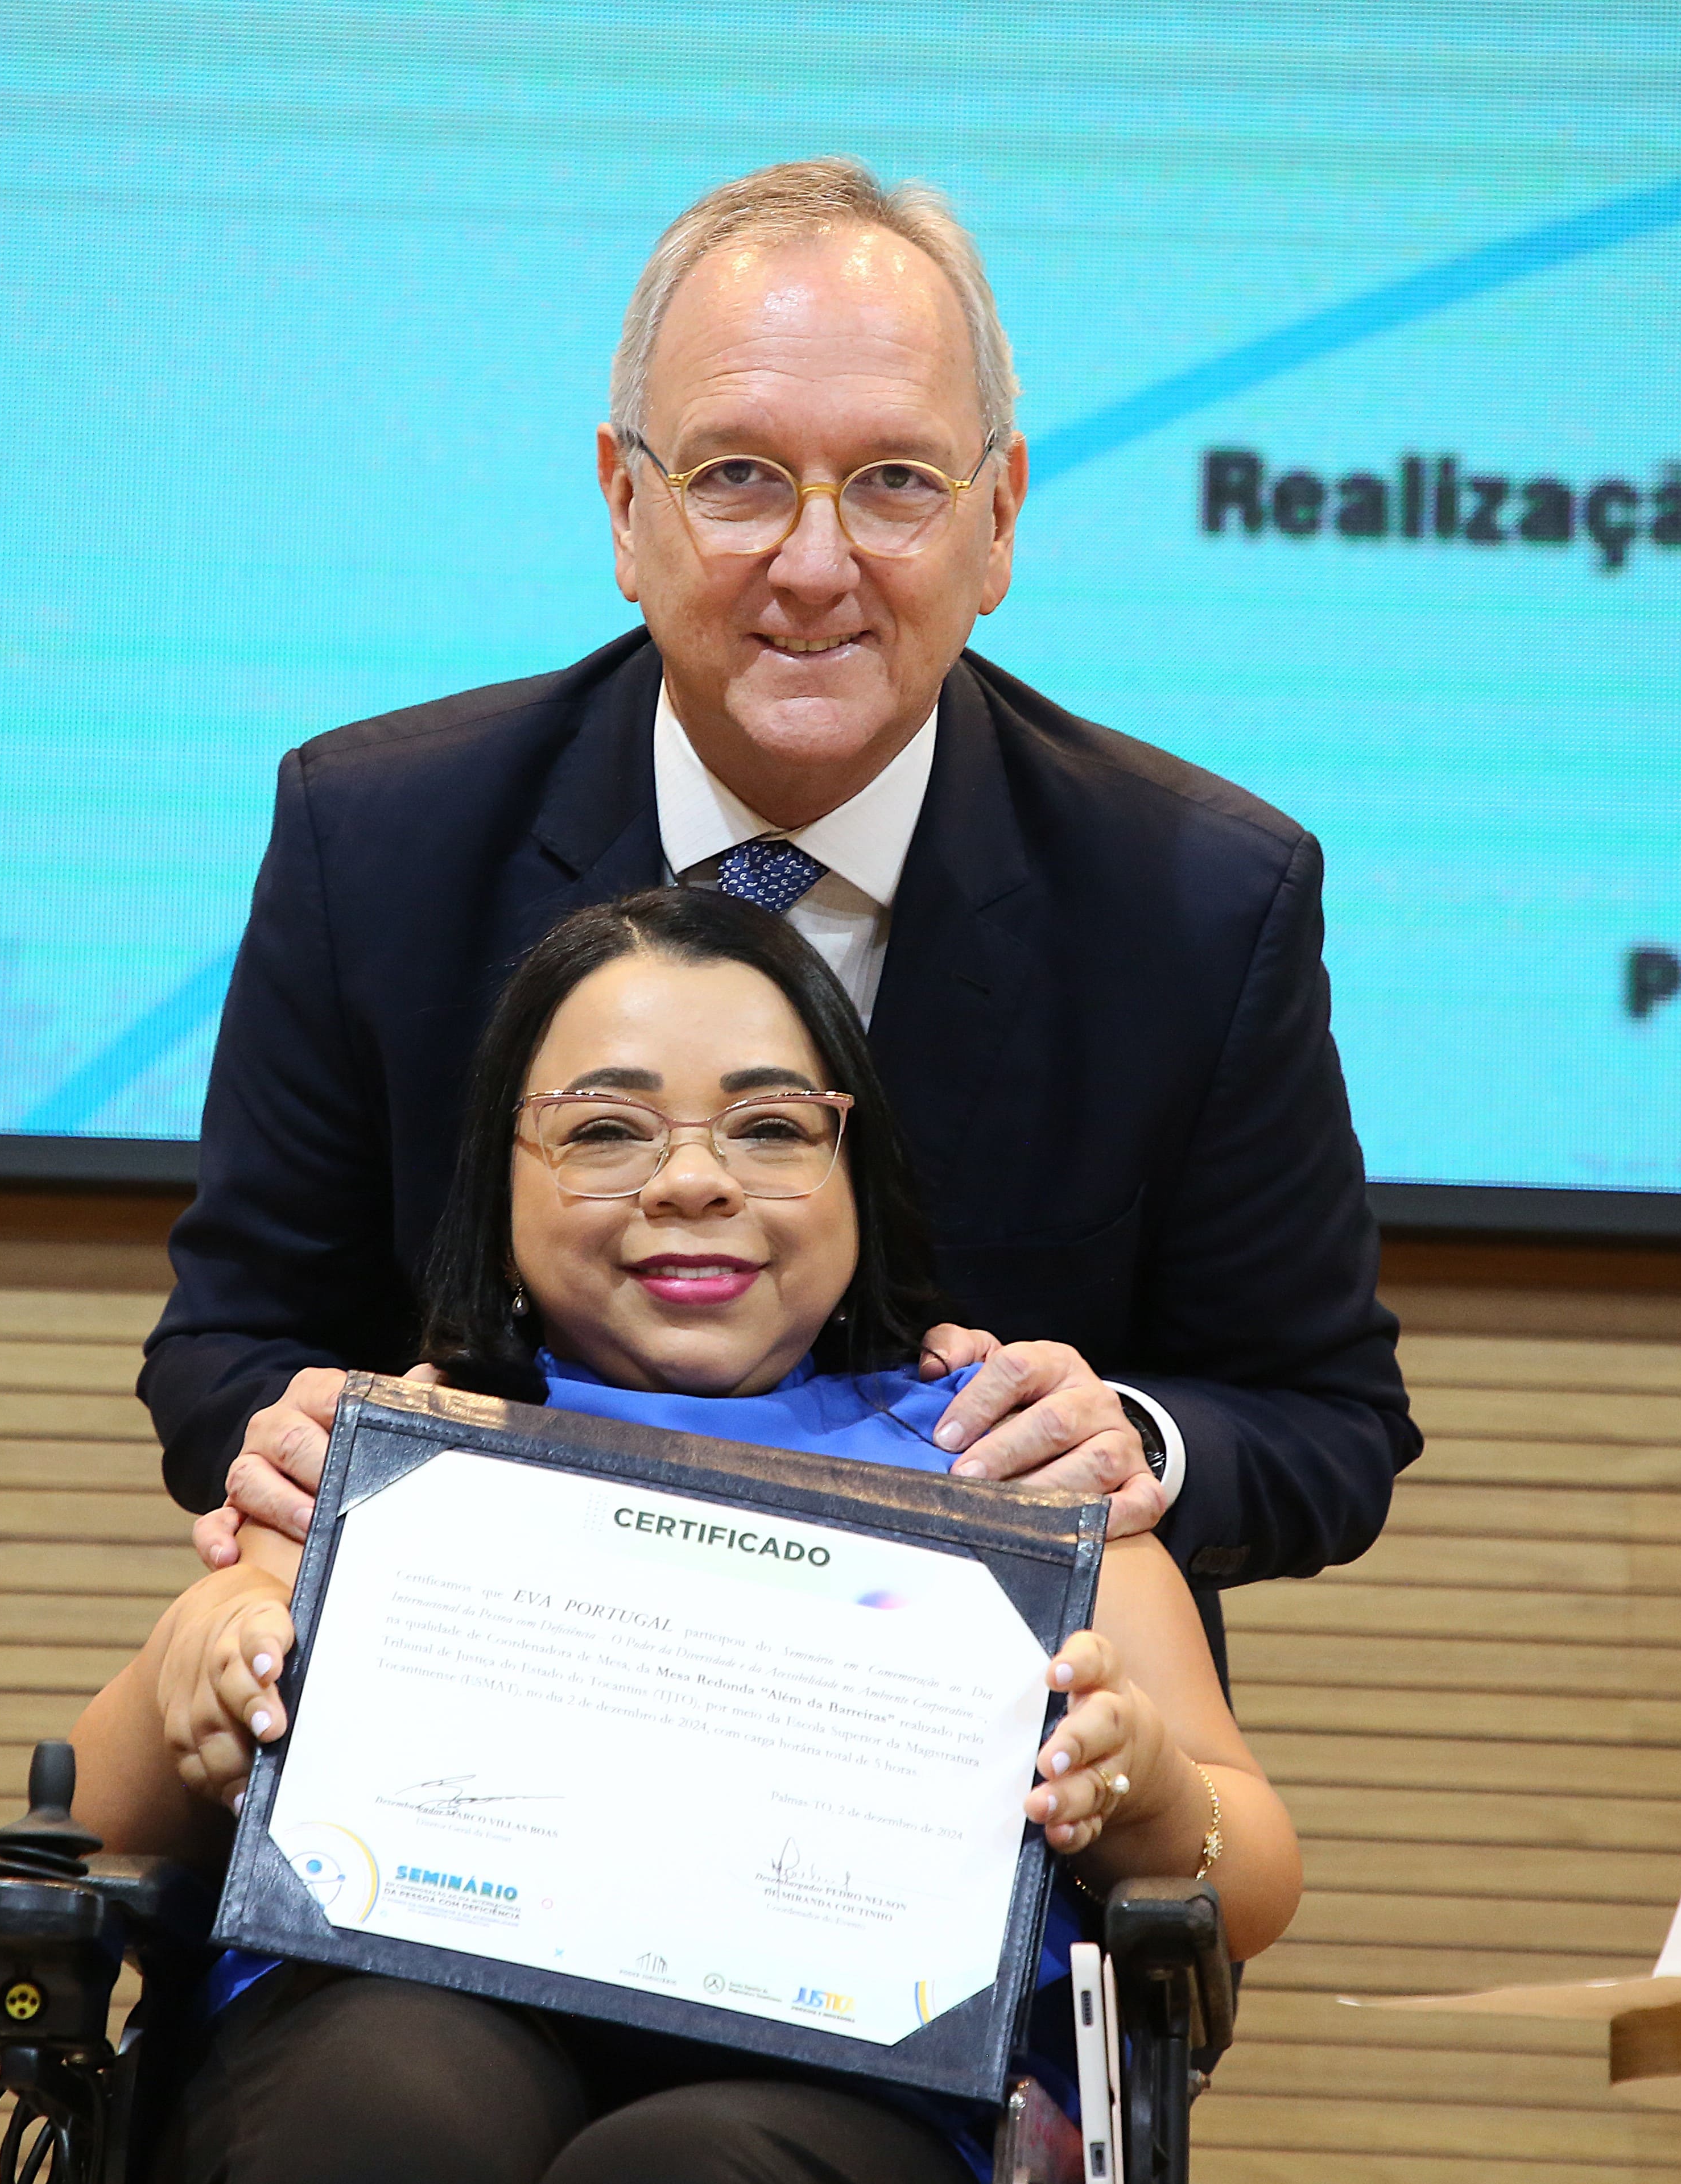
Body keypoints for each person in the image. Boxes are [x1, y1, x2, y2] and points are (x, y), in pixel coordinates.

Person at [143, 155, 1416, 1639]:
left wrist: (1129, 1441)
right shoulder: (378, 840)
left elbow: (1329, 1423)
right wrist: (295, 1438)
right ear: (626, 504)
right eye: (738, 475)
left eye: (896, 483)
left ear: (1000, 518)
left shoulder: (1200, 898)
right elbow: (227, 1349)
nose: (815, 567)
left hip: (995, 1727)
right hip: (495, 1680)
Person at [72, 889, 1300, 2184]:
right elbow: (95, 1826)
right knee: (386, 2114)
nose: (695, 1182)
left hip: (854, 2082)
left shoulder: (1007, 1466)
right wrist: (200, 1659)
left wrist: (1144, 1787)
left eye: (772, 1128)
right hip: (384, 2012)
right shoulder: (398, 1450)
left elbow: (1251, 1881)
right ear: (499, 1178)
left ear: (858, 1175)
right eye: (606, 1130)